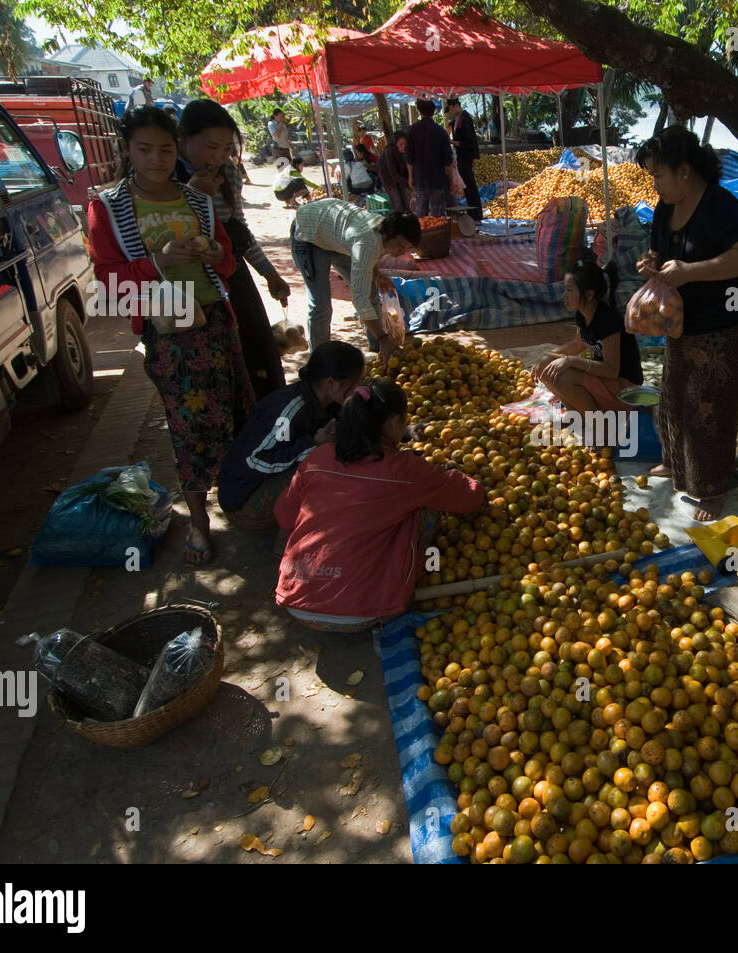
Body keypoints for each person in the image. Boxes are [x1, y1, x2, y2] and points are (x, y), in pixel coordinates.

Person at [87, 106, 255, 566]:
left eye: (164, 149)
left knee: (236, 411)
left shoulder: (197, 201)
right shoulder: (108, 206)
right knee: (189, 427)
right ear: (127, 150)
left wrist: (217, 252)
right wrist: (158, 262)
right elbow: (111, 283)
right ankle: (200, 520)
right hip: (169, 328)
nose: (157, 159)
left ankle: (244, 501)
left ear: (175, 148)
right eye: (145, 150)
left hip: (215, 320)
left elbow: (226, 264)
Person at [274, 379, 486, 633]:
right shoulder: (406, 471)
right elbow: (469, 498)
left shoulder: (317, 457)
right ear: (393, 421)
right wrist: (471, 479)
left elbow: (284, 516)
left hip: (295, 600)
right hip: (360, 613)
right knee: (425, 507)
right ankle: (397, 588)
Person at [635, 126, 738, 521]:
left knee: (708, 405)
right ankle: (676, 465)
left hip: (723, 323)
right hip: (682, 322)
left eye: (659, 175)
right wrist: (651, 265)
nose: (655, 184)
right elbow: (659, 250)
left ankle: (712, 486)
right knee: (674, 394)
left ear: (685, 171)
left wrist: (692, 271)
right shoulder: (664, 208)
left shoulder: (719, 204)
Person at [174, 99, 290, 401]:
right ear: (183, 137)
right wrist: (195, 195)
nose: (218, 157)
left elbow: (238, 228)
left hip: (232, 275)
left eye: (226, 149)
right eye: (211, 147)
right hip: (187, 289)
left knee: (257, 352)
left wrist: (269, 272)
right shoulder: (165, 176)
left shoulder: (229, 172)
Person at [218, 341, 364, 535]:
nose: (358, 388)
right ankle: (287, 536)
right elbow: (255, 460)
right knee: (323, 460)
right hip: (244, 504)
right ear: (331, 384)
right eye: (354, 383)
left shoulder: (328, 402)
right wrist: (313, 444)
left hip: (258, 488)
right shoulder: (289, 413)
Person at [290, 199, 421, 356]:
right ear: (389, 235)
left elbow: (365, 259)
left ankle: (378, 348)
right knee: (321, 305)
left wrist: (377, 274)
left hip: (337, 236)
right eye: (400, 245)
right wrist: (384, 338)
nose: (402, 252)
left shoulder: (382, 233)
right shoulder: (366, 242)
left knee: (371, 291)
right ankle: (319, 360)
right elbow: (360, 298)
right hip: (309, 233)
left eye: (407, 248)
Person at [532, 257, 642, 415]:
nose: (564, 296)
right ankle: (576, 412)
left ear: (589, 294)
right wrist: (548, 356)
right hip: (606, 382)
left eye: (569, 290)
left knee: (565, 378)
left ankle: (601, 426)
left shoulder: (607, 321)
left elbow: (611, 370)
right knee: (546, 366)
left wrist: (569, 361)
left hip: (625, 389)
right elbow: (577, 345)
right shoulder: (582, 314)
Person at [405, 99, 453, 218]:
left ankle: (423, 234)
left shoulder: (412, 130)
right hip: (438, 178)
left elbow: (409, 157)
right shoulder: (441, 131)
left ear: (420, 112)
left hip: (420, 178)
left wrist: (410, 177)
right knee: (437, 213)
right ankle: (438, 233)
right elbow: (448, 160)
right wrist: (451, 178)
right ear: (433, 112)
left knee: (421, 211)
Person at [445, 97, 483, 221]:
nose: (450, 112)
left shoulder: (465, 118)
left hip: (466, 156)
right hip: (461, 157)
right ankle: (472, 214)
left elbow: (467, 142)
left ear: (456, 106)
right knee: (467, 187)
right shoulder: (456, 119)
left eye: (450, 109)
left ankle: (476, 215)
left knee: (470, 186)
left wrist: (452, 142)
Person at [378, 131, 411, 213]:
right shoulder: (389, 151)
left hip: (399, 176)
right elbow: (393, 174)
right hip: (388, 178)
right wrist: (408, 183)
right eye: (401, 144)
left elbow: (406, 168)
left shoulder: (405, 151)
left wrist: (410, 179)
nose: (403, 146)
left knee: (404, 199)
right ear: (395, 144)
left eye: (405, 144)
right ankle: (398, 220)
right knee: (397, 201)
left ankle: (406, 218)